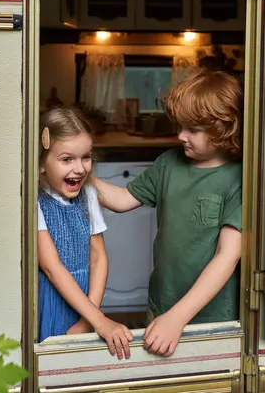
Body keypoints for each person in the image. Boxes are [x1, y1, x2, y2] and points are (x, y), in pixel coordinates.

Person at [90, 69, 243, 358]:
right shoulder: (168, 164)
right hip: (161, 303)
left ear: (224, 127)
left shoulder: (240, 178)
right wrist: (81, 171)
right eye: (181, 126)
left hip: (211, 317)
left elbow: (227, 256)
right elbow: (122, 200)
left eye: (193, 130)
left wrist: (178, 318)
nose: (180, 135)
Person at [38, 106, 133, 359]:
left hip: (88, 303)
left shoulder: (88, 193)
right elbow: (52, 267)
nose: (79, 169)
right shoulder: (34, 202)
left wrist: (90, 319)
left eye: (86, 157)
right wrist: (100, 321)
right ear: (41, 164)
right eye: (67, 159)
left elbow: (98, 257)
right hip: (53, 299)